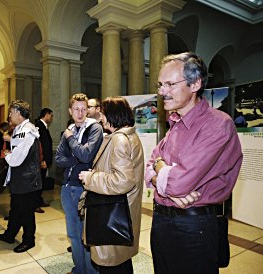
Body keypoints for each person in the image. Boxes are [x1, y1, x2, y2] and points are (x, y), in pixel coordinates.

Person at [145, 52, 243, 274]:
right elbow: (150, 163)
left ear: (195, 83)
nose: (162, 92)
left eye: (170, 84)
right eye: (160, 84)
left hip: (193, 227)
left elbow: (177, 184)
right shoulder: (175, 123)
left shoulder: (217, 124)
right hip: (161, 221)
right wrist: (161, 171)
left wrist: (164, 176)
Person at [79, 96, 144, 273]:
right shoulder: (128, 136)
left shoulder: (119, 140)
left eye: (103, 114)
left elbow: (122, 181)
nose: (101, 118)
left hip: (112, 214)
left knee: (113, 267)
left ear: (113, 115)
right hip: (123, 211)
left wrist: (91, 178)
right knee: (121, 263)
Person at [55, 93, 103, 274]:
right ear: (70, 111)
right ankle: (79, 270)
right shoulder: (70, 129)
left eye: (84, 109)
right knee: (73, 235)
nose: (81, 113)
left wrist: (71, 141)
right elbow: (59, 159)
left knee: (86, 236)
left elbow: (86, 155)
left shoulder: (94, 128)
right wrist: (77, 156)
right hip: (67, 188)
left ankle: (91, 272)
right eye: (76, 109)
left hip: (84, 189)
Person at [0, 99, 42, 253]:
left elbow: (16, 159)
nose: (9, 115)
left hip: (26, 179)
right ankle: (10, 234)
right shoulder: (19, 129)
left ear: (17, 112)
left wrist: (8, 155)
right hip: (21, 178)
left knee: (26, 212)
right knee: (16, 209)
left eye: (11, 112)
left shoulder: (26, 130)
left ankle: (29, 240)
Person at [34, 108, 53, 213]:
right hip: (41, 160)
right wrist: (43, 160)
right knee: (38, 182)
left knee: (41, 182)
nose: (51, 117)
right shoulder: (38, 126)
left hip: (44, 160)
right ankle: (35, 204)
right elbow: (40, 145)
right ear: (46, 114)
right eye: (50, 115)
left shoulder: (43, 126)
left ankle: (39, 200)